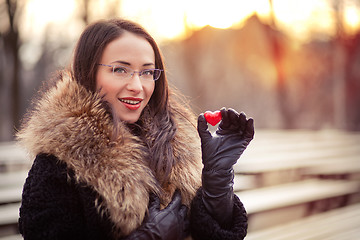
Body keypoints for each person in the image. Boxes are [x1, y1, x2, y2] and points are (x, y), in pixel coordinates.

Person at [17, 18, 254, 240]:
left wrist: (217, 182)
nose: (137, 86)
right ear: (88, 73)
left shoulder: (175, 148)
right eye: (120, 70)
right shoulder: (58, 164)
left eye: (147, 72)